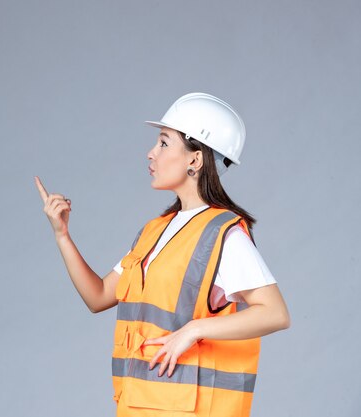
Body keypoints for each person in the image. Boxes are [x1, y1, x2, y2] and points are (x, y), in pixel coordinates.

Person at [34, 92, 291, 417]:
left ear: (195, 159)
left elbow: (275, 313)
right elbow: (97, 297)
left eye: (164, 143)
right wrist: (62, 235)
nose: (151, 153)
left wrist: (193, 330)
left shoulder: (223, 235)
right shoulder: (154, 231)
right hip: (139, 405)